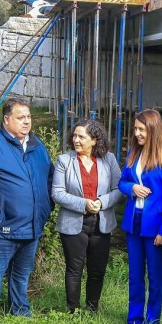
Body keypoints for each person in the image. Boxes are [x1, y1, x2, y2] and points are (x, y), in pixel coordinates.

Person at [0, 98, 54, 322]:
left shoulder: (37, 146)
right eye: (21, 118)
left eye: (28, 117)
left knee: (21, 274)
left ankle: (20, 312)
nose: (26, 122)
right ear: (7, 120)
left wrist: (44, 211)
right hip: (1, 229)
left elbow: (49, 179)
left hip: (32, 227)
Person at [118, 109, 162, 324]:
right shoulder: (133, 153)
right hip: (133, 225)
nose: (136, 133)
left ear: (153, 129)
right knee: (135, 277)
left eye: (141, 129)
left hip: (156, 228)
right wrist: (132, 187)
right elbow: (122, 182)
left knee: (155, 279)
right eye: (135, 129)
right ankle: (134, 321)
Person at [52, 119, 123, 313]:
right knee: (74, 269)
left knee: (97, 270)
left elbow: (119, 189)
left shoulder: (108, 159)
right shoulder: (64, 161)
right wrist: (83, 204)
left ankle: (92, 309)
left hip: (101, 222)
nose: (76, 140)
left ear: (94, 140)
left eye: (81, 136)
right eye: (74, 135)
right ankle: (72, 310)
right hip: (74, 222)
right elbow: (57, 193)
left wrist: (101, 202)